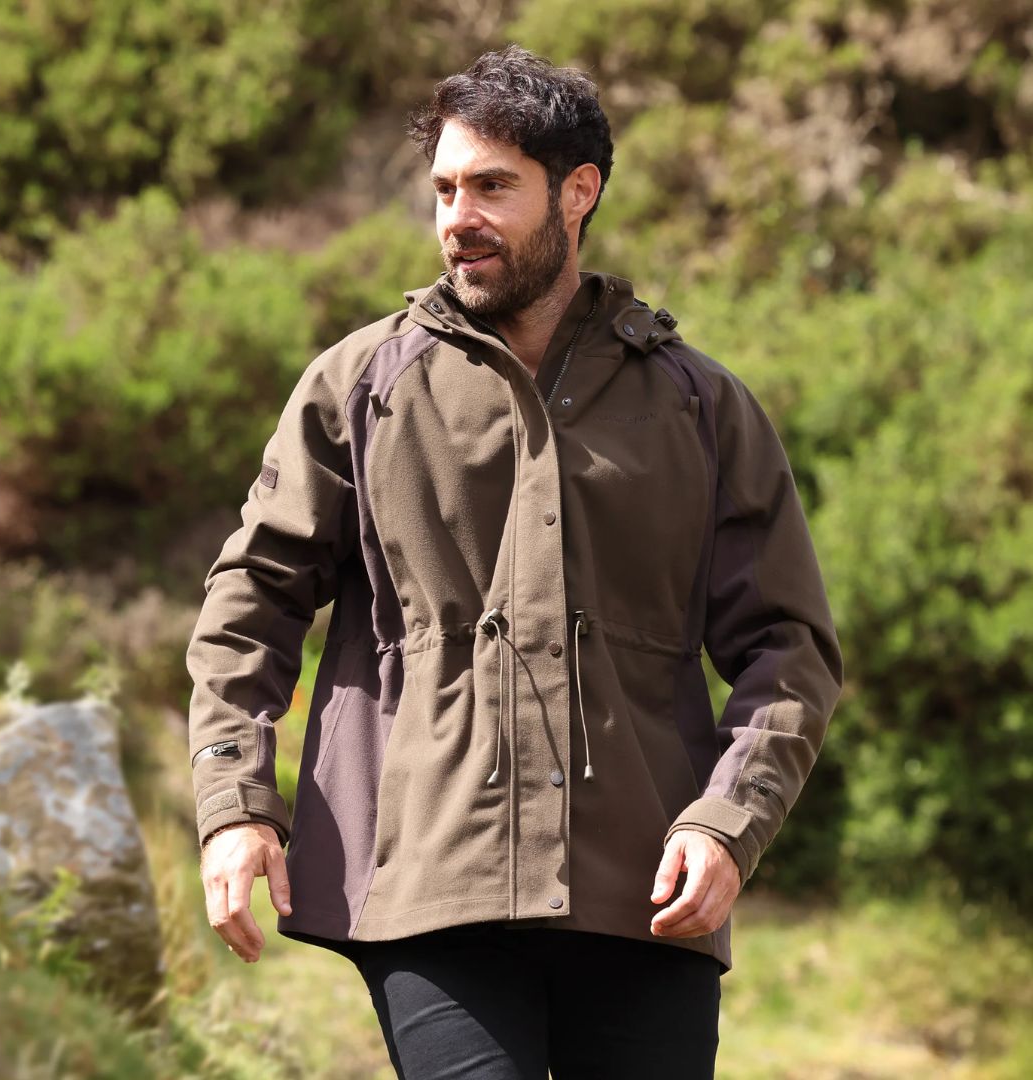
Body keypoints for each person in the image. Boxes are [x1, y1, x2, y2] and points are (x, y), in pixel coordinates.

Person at [187, 45, 843, 1079]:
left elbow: (789, 651)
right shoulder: (358, 386)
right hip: (429, 882)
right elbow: (247, 609)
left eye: (493, 185)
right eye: (445, 188)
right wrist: (234, 803)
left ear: (577, 193)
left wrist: (729, 824)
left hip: (646, 893)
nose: (458, 216)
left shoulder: (699, 406)